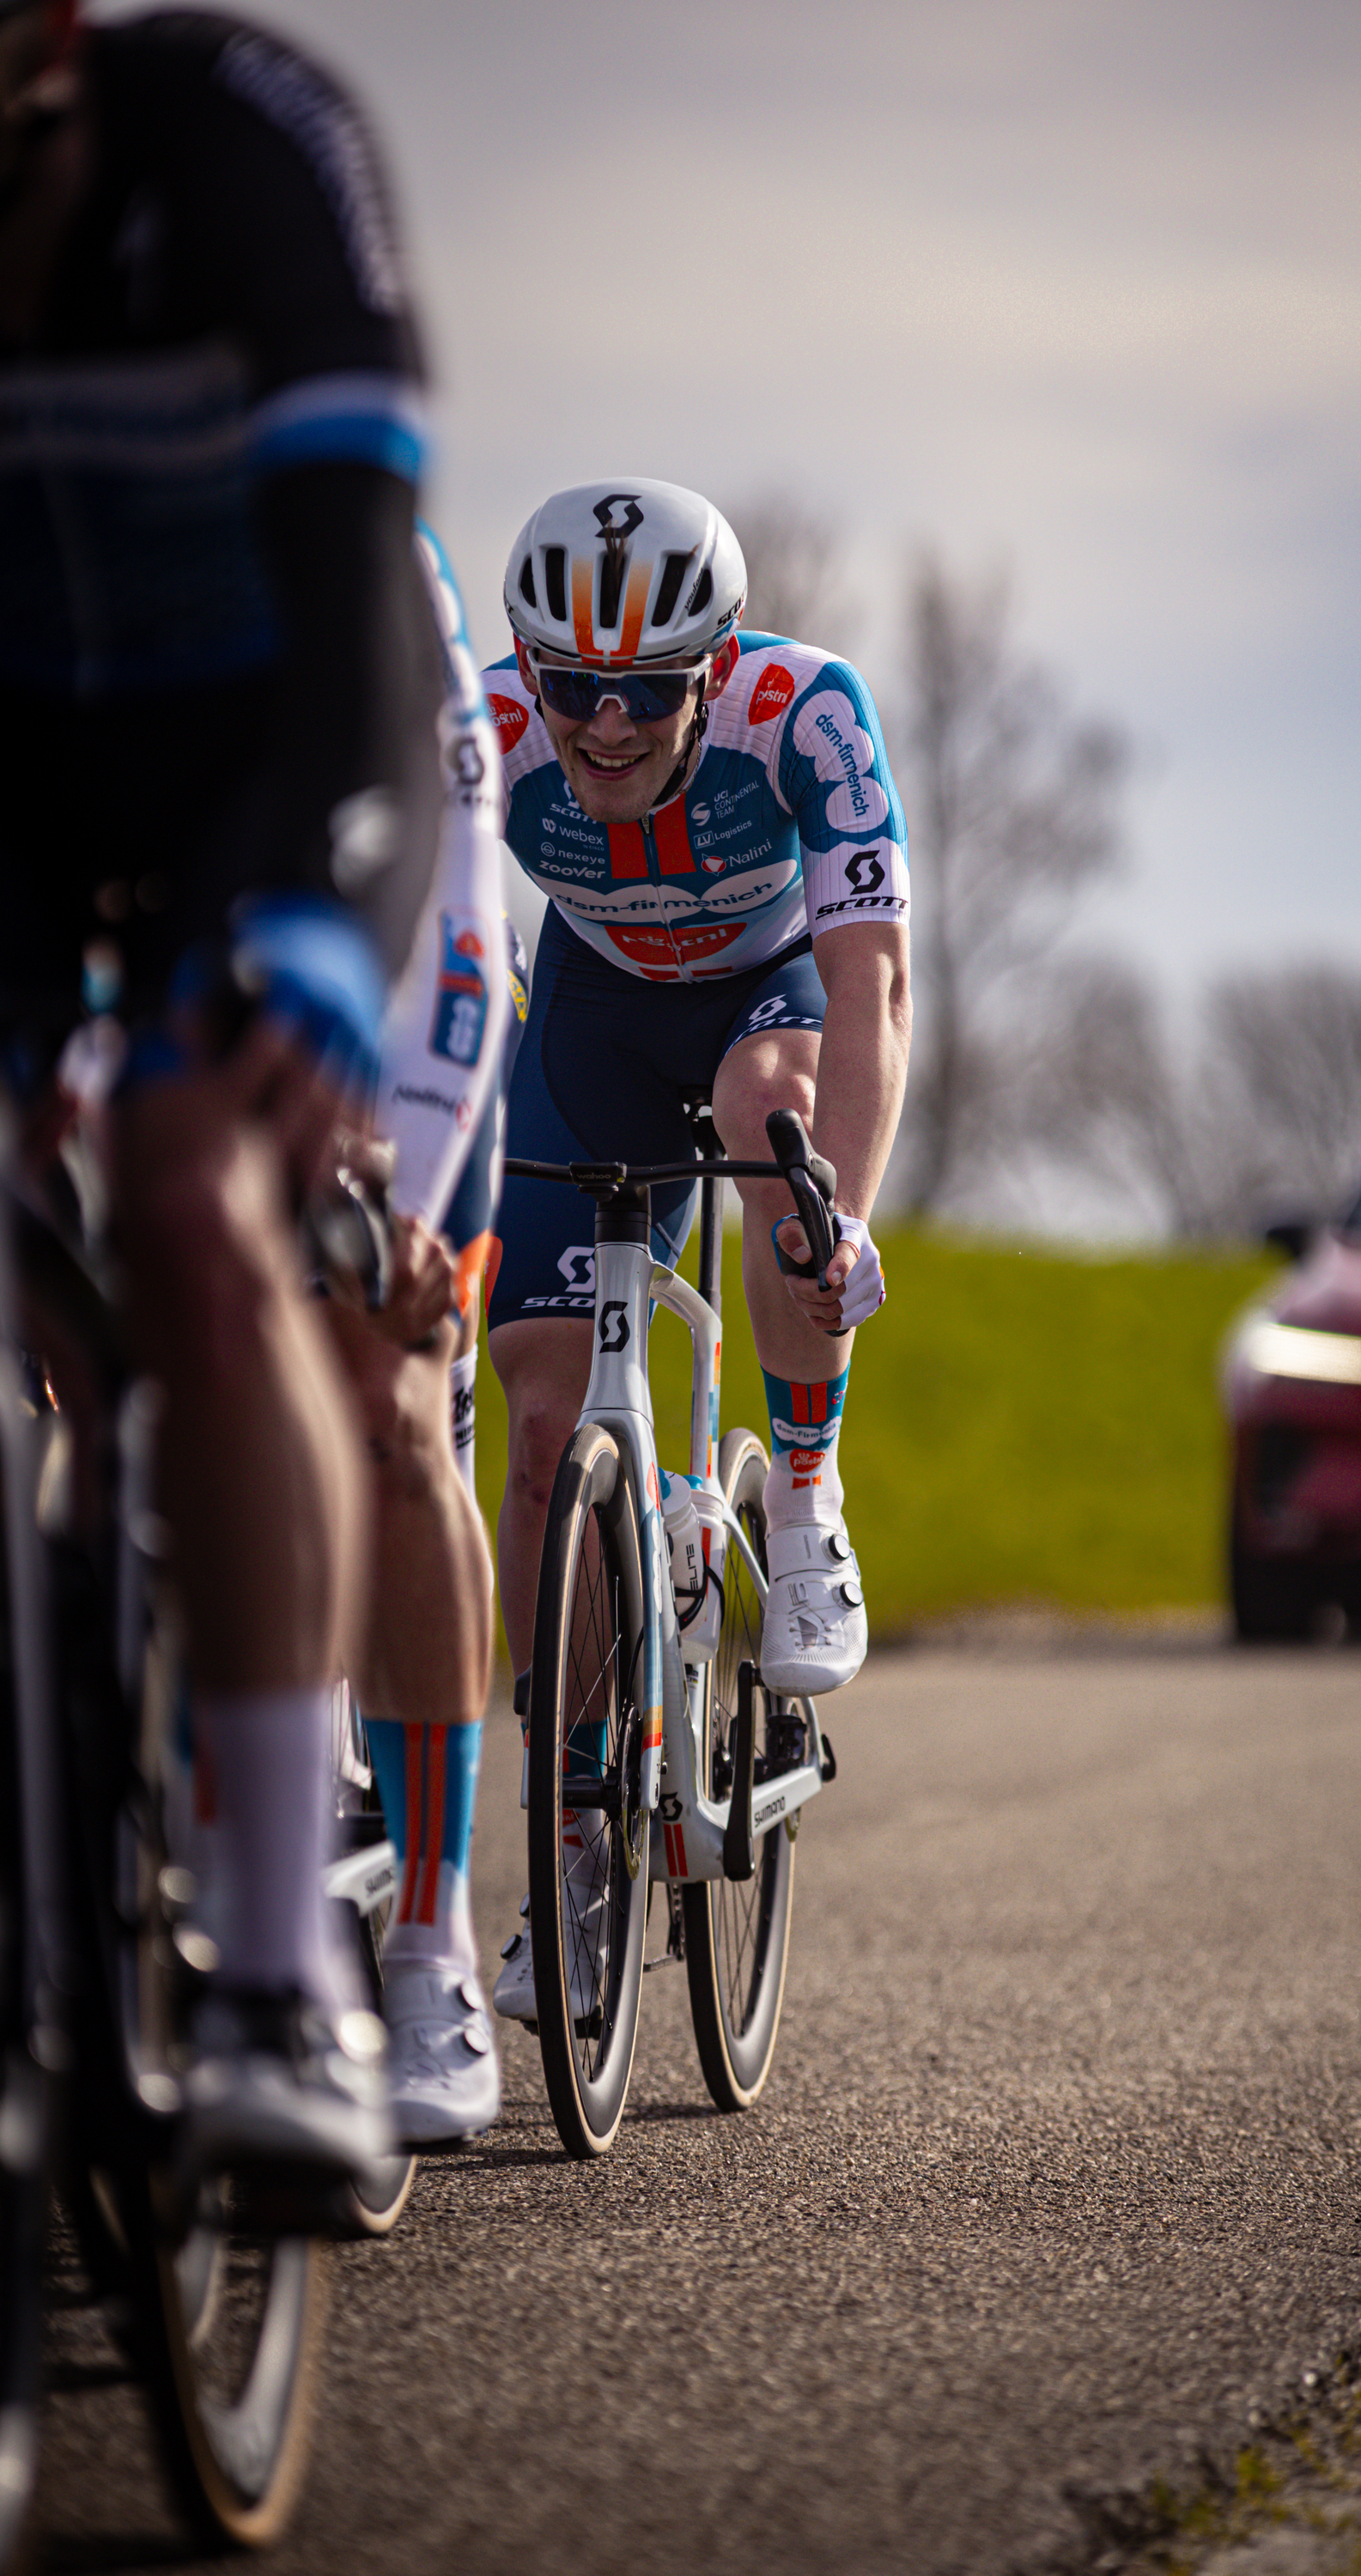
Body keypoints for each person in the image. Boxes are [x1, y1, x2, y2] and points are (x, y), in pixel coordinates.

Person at [0, 1, 441, 2203]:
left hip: (274, 757)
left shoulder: (249, 139)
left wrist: (320, 911)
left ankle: (285, 1970)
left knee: (189, 1201)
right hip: (26, 756)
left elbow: (367, 577)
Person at [482, 478, 911, 2020]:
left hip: (763, 1001)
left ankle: (804, 1495)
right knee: (541, 1432)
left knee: (775, 1134)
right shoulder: (492, 736)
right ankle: (577, 1836)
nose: (601, 725)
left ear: (713, 667)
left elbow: (872, 983)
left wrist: (837, 1210)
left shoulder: (806, 715)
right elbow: (426, 949)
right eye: (568, 686)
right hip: (589, 1013)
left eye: (643, 691)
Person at [328, 521, 526, 2149]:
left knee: (395, 1406)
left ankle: (427, 1940)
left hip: (402, 996)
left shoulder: (362, 543)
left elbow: (462, 904)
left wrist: (414, 1179)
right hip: (148, 964)